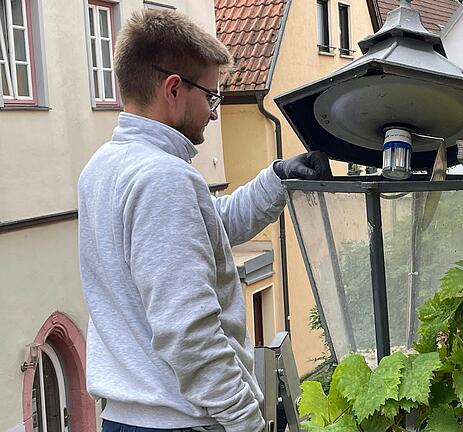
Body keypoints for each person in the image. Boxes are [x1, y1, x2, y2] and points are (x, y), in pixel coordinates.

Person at [77, 9, 331, 432]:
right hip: (181, 420)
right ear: (173, 88)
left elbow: (208, 225)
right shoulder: (163, 179)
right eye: (212, 97)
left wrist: (277, 178)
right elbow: (189, 333)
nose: (215, 113)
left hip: (130, 417)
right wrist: (247, 421)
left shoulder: (104, 168)